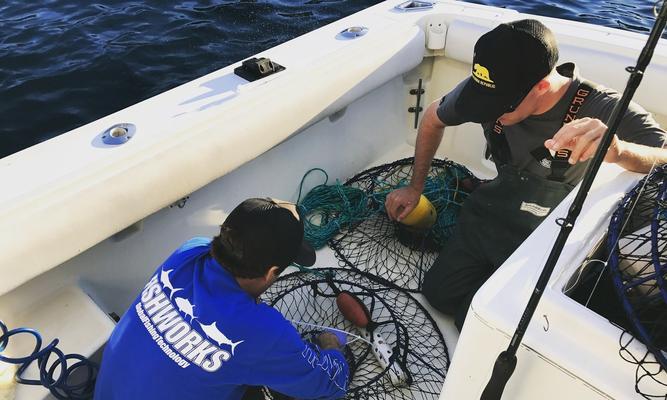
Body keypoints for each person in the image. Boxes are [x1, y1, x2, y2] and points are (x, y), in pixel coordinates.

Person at [385, 19, 667, 331]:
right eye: (482, 101)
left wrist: (619, 150)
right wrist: (415, 187)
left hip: (550, 233)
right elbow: (432, 119)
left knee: (476, 321)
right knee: (439, 295)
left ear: (542, 86)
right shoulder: (486, 87)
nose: (487, 111)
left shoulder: (604, 107)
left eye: (498, 106)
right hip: (494, 213)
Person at [95, 198, 349, 400]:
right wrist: (330, 346)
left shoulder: (188, 251)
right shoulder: (262, 330)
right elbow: (331, 383)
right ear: (271, 273)